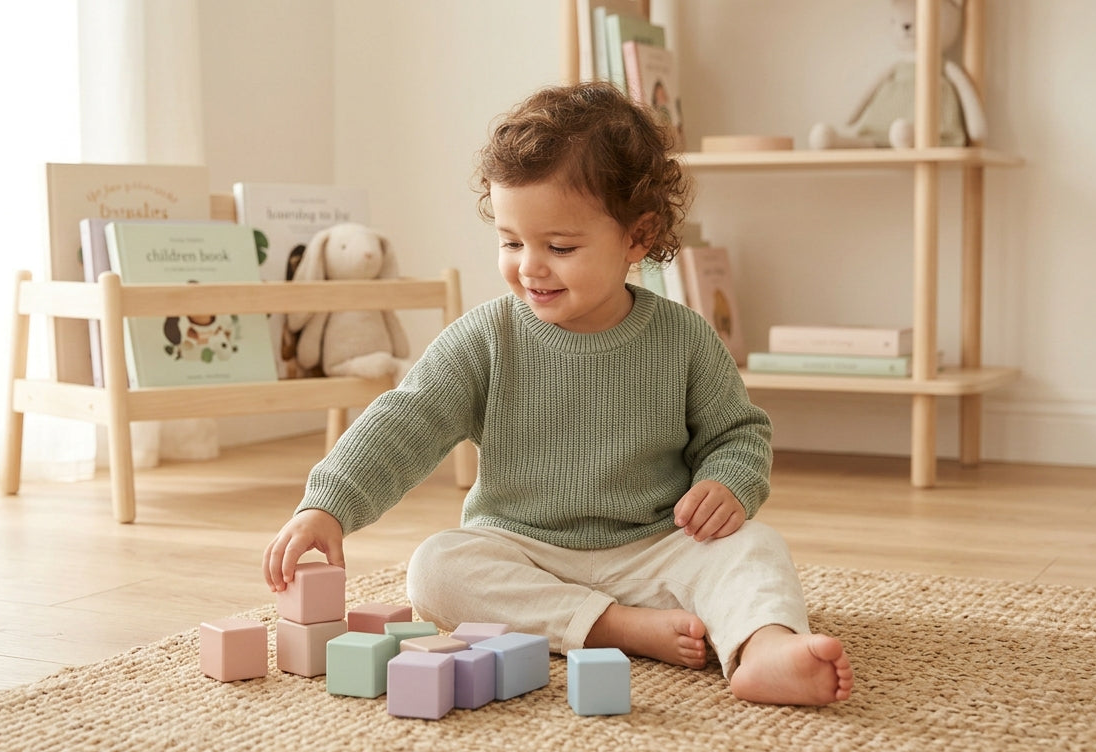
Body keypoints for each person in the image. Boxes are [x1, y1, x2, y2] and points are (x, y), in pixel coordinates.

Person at [262, 81, 853, 706]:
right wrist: (327, 505)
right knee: (436, 569)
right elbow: (405, 420)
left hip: (656, 549)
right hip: (524, 551)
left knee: (755, 548)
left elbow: (739, 432)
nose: (529, 267)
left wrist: (729, 483)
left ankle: (764, 649)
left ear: (637, 237)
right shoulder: (486, 337)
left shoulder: (683, 336)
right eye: (511, 242)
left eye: (560, 247)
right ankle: (615, 628)